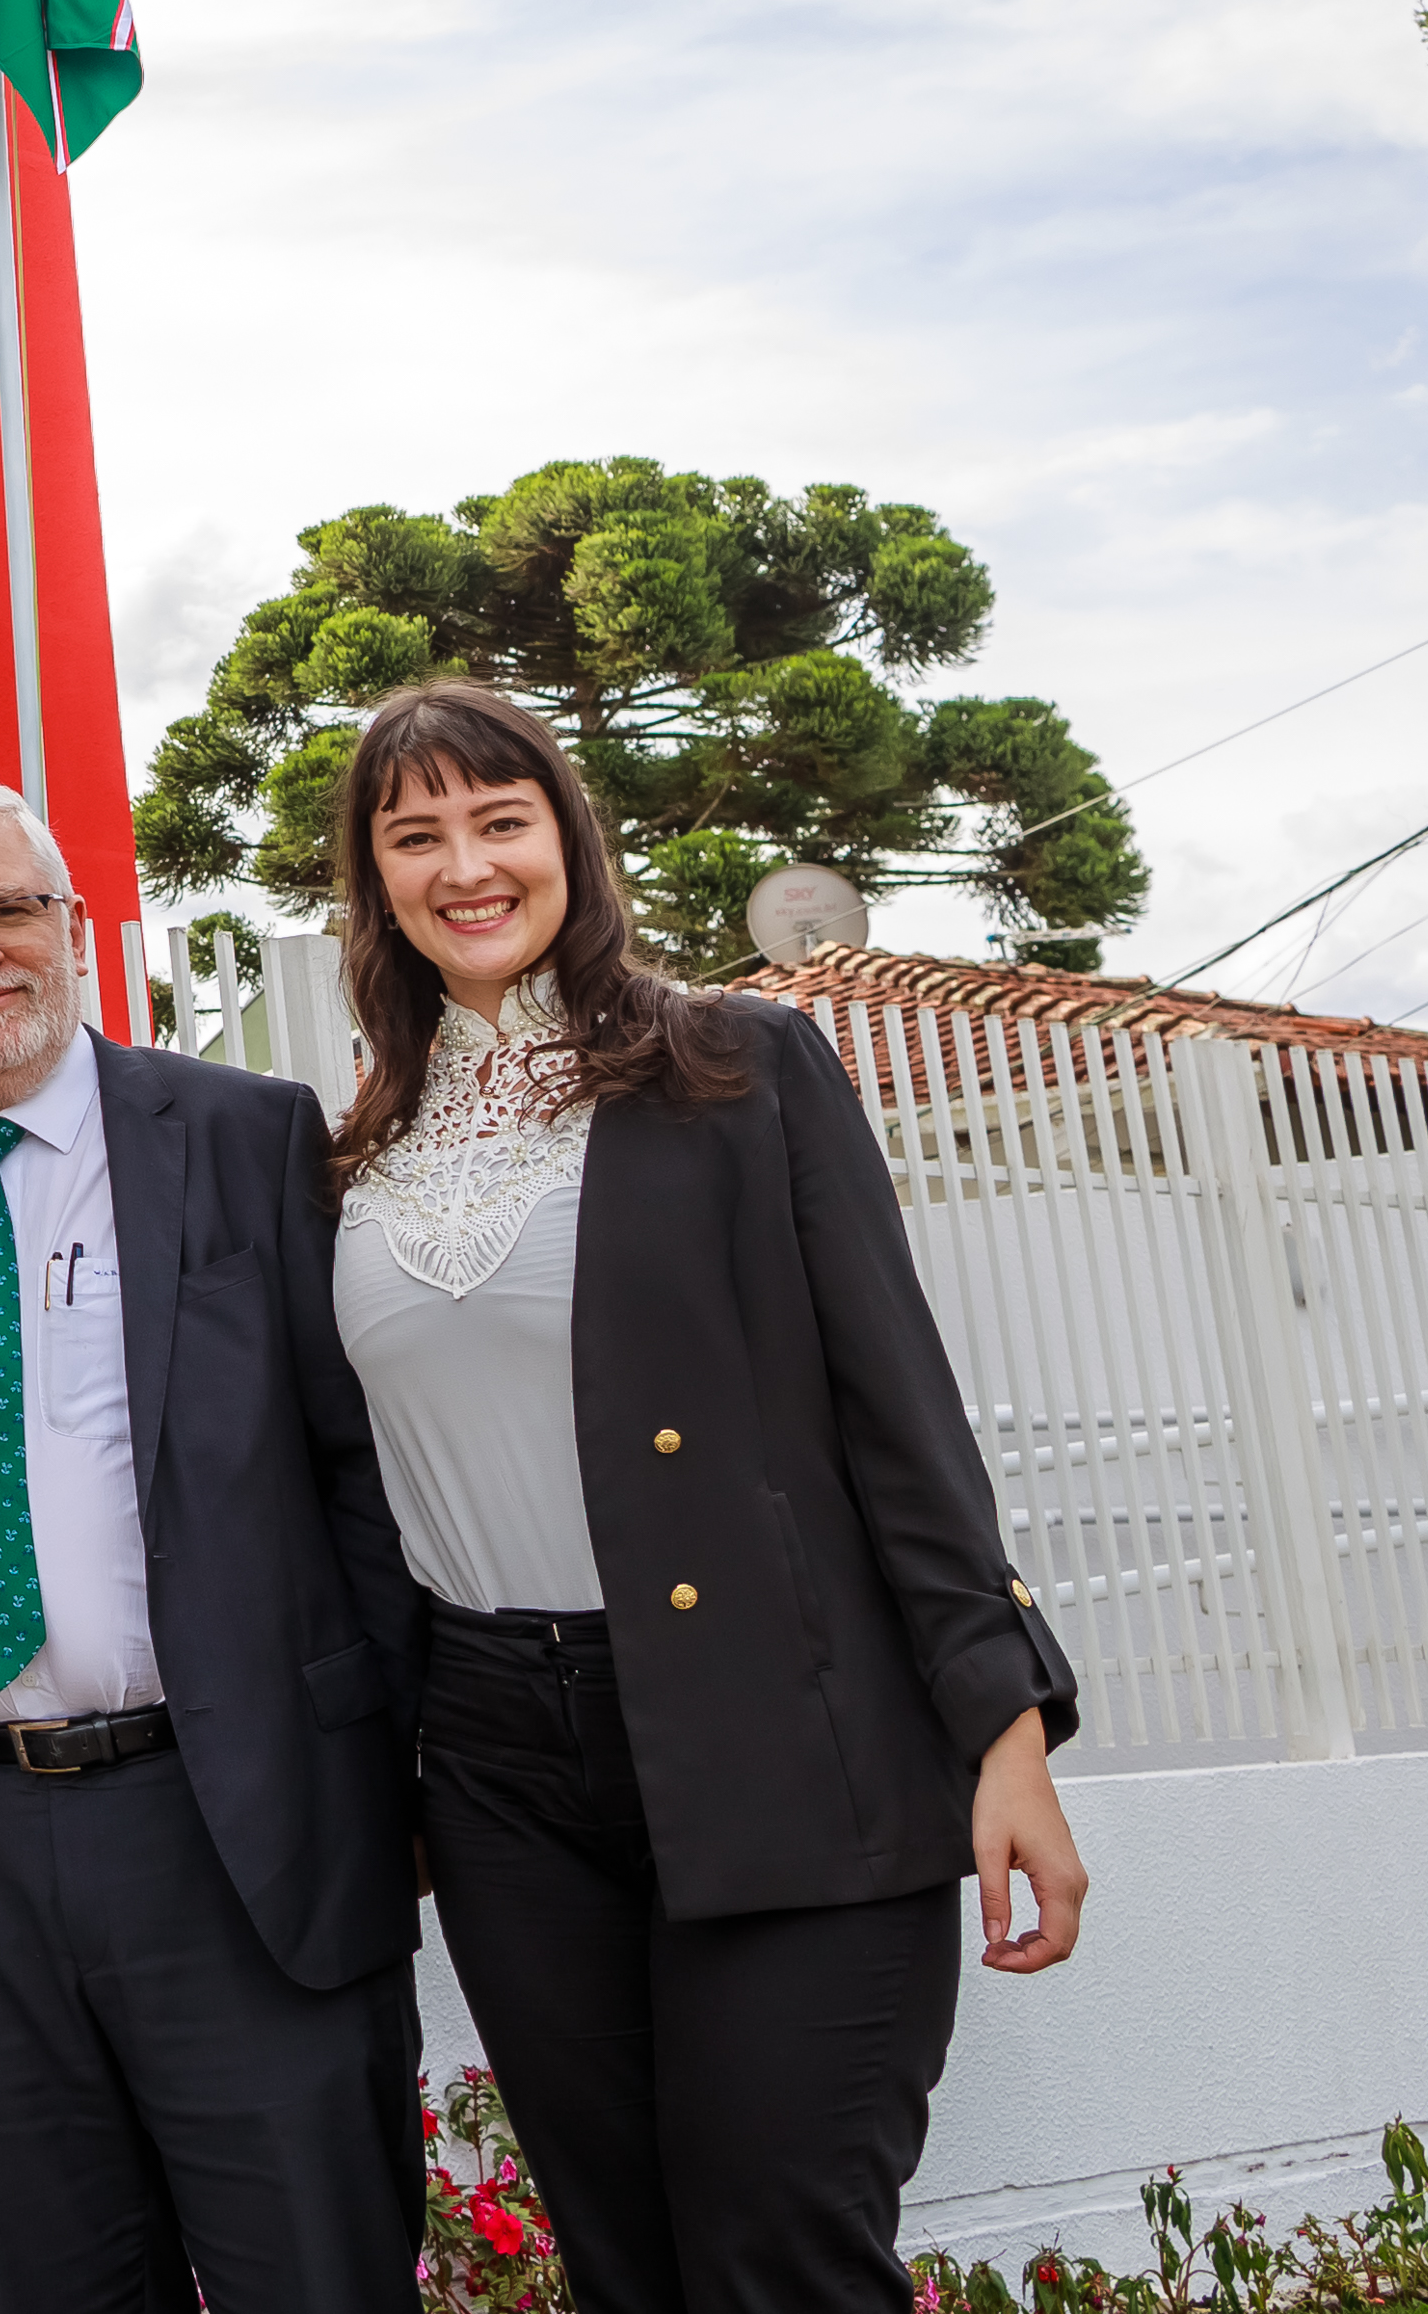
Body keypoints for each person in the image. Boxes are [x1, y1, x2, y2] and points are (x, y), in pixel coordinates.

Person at [326, 680, 1083, 2312]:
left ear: (567, 838)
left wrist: (1006, 1725)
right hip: (500, 1767)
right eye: (417, 833)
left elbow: (903, 1415)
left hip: (781, 1726)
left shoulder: (736, 1064)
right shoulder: (358, 1151)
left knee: (779, 2259)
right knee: (633, 2267)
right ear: (376, 875)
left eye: (499, 818)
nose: (466, 863)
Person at [0, 771, 424, 2314]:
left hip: (229, 1820)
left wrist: (371, 1780)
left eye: (8, 907)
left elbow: (360, 1475)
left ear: (72, 924)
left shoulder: (246, 1137)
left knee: (315, 2277)